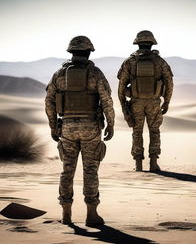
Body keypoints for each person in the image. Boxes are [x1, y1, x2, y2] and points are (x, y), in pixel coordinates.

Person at [45, 36, 115, 226]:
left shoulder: (59, 74)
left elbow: (49, 102)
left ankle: (66, 214)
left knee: (67, 170)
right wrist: (111, 123)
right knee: (90, 170)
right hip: (91, 127)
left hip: (67, 128)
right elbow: (107, 100)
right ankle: (91, 215)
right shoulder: (95, 73)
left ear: (71, 52)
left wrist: (53, 126)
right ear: (89, 52)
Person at [117, 30, 173, 172]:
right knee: (154, 131)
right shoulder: (160, 61)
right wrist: (166, 101)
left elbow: (121, 87)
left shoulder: (130, 61)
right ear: (151, 43)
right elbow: (169, 82)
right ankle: (153, 164)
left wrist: (124, 106)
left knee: (137, 131)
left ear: (138, 43)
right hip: (154, 102)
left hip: (136, 102)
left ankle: (138, 165)